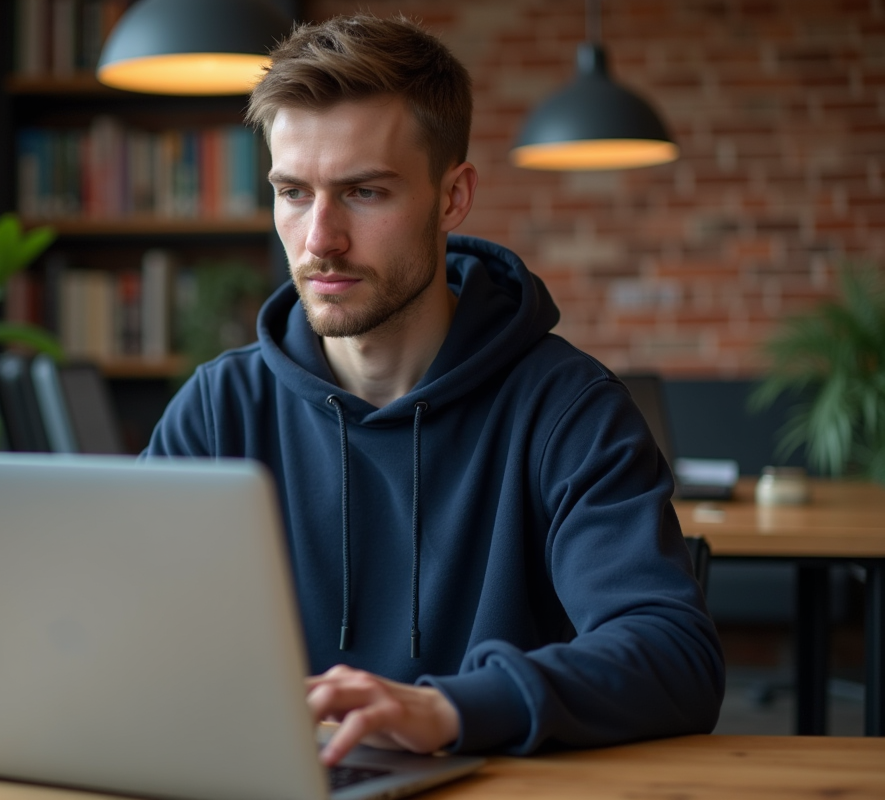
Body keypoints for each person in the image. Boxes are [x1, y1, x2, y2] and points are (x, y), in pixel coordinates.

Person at [143, 13, 724, 764]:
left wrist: (449, 706)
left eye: (364, 193)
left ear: (452, 199)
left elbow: (676, 656)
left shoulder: (565, 407)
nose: (320, 238)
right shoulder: (220, 410)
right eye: (292, 193)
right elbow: (126, 631)